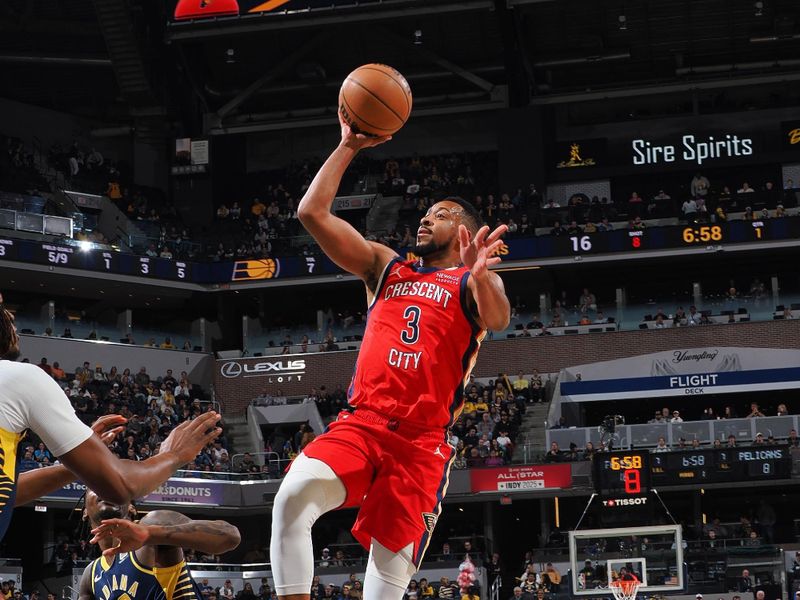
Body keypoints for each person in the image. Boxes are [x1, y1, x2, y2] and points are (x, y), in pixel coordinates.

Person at [270, 117, 510, 600]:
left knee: (386, 575)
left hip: (421, 444)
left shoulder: (471, 282)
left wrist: (480, 274)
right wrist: (347, 146)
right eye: (425, 213)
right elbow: (311, 213)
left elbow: (499, 317)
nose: (425, 218)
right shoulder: (385, 266)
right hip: (361, 424)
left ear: (463, 229)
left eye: (439, 214)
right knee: (291, 498)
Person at [0, 298, 222, 541]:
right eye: (2, 307)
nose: (11, 317)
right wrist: (174, 455)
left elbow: (10, 492)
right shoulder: (20, 378)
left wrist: (80, 465)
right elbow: (121, 486)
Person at [79, 490, 240, 600]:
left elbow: (230, 536)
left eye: (114, 486)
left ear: (131, 506)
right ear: (84, 511)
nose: (107, 488)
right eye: (96, 484)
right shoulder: (91, 575)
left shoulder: (153, 524)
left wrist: (150, 534)